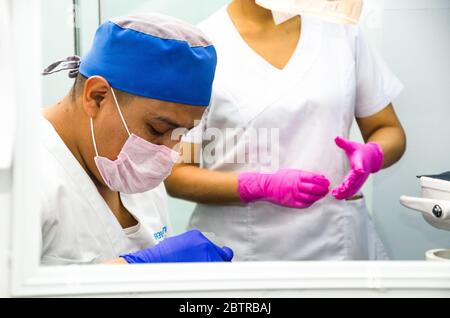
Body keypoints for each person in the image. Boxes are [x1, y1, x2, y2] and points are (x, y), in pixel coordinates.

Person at [164, 0, 407, 261]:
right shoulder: (201, 46)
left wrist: (373, 154)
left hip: (337, 243)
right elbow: (177, 175)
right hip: (241, 251)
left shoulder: (341, 31)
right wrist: (259, 186)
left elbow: (388, 129)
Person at [40, 13, 233, 265]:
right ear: (97, 97)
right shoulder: (24, 177)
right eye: (156, 128)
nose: (168, 151)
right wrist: (131, 270)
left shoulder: (135, 170)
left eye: (181, 134)